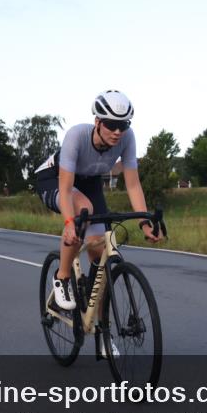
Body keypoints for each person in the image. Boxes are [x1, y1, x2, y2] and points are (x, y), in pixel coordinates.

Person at [34, 90, 163, 315]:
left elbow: (133, 185)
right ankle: (62, 277)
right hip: (54, 179)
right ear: (97, 121)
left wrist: (144, 221)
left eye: (123, 125)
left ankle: (100, 330)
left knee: (99, 249)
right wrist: (68, 222)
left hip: (89, 182)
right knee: (83, 210)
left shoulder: (127, 138)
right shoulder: (77, 136)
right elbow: (65, 189)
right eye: (111, 124)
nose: (117, 132)